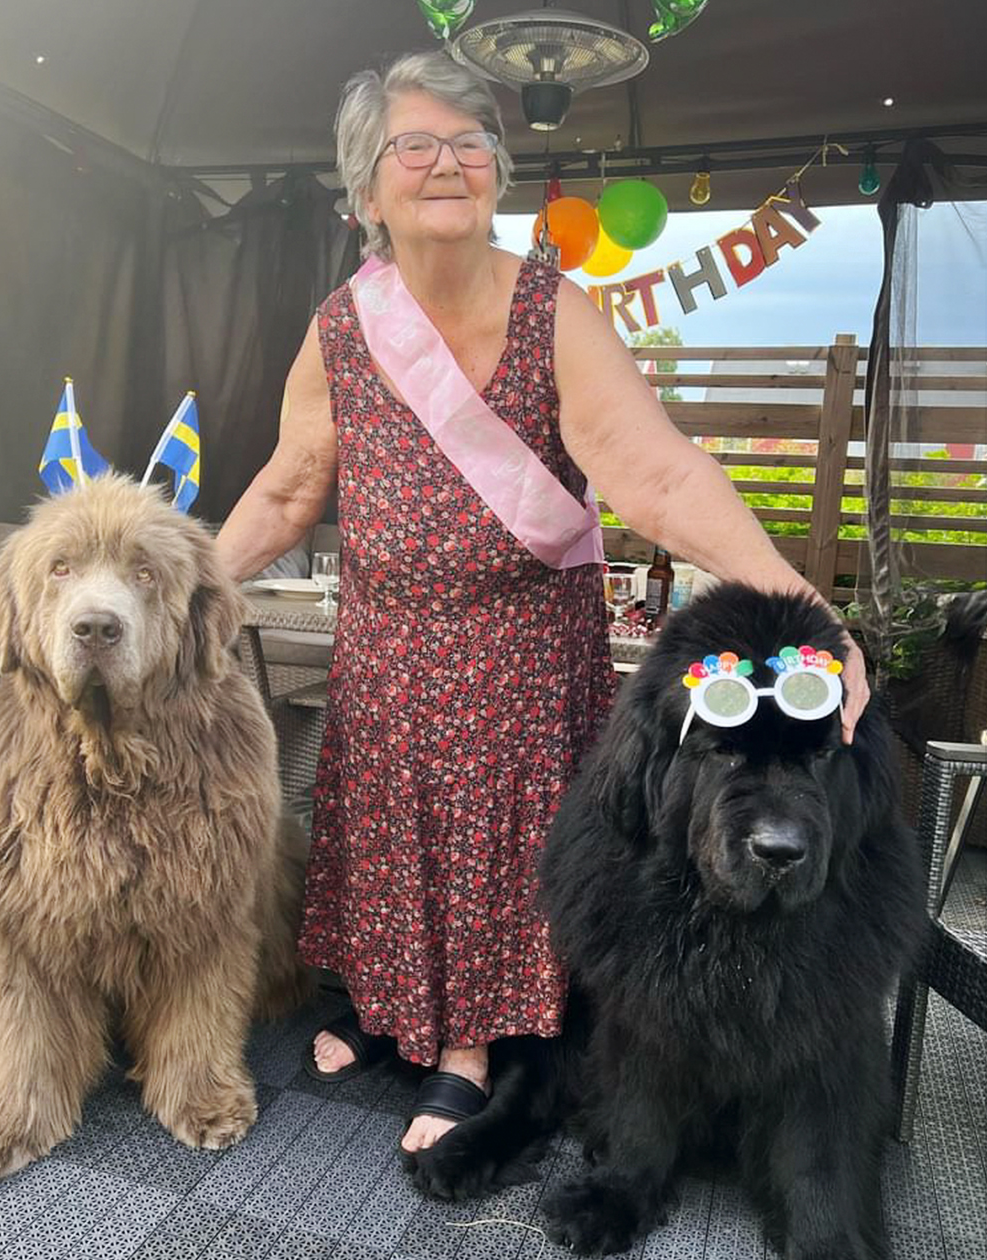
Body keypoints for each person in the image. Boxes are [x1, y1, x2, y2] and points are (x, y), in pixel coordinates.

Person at [215, 50, 868, 1155]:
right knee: (383, 835)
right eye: (412, 146)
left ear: (497, 173)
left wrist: (805, 605)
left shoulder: (554, 310)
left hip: (516, 656)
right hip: (384, 647)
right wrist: (187, 582)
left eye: (471, 144)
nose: (446, 163)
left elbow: (655, 473)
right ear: (366, 190)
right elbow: (289, 484)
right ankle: (390, 1014)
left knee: (488, 846)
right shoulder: (341, 325)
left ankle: (470, 1049)